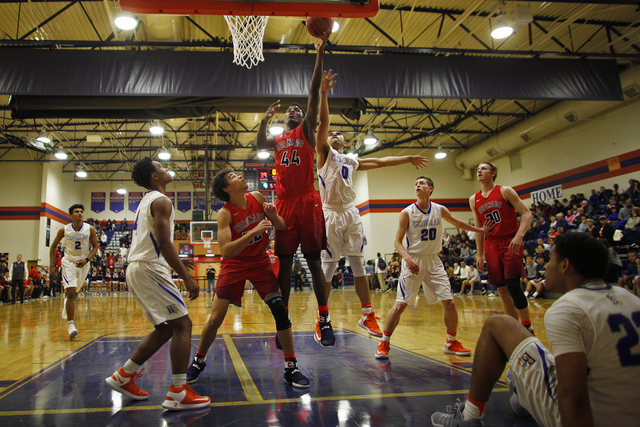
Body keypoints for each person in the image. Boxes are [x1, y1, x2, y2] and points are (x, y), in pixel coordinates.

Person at [430, 232, 640, 427]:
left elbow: (572, 396)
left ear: (565, 265)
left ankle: (470, 417)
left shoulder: (568, 309)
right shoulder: (631, 298)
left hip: (587, 417)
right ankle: (524, 396)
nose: (546, 267)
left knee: (496, 325)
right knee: (518, 366)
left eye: (550, 260)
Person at [316, 69, 429, 339]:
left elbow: (380, 161)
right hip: (330, 214)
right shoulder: (324, 154)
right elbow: (323, 122)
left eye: (340, 135)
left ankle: (367, 315)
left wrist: (407, 157)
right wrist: (323, 93)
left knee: (358, 265)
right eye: (333, 134)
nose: (335, 135)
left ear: (346, 143)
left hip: (351, 214)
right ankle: (323, 318)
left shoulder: (352, 160)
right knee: (328, 268)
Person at [186, 169, 309, 388]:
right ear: (227, 189)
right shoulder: (225, 213)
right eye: (233, 177)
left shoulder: (258, 198)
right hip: (235, 265)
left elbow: (281, 226)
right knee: (215, 319)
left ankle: (292, 367)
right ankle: (198, 360)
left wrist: (273, 215)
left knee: (280, 309)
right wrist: (253, 232)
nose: (240, 176)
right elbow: (226, 250)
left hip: (259, 262)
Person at [105, 157, 210, 410]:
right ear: (154, 176)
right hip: (148, 268)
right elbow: (163, 242)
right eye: (161, 166)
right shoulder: (162, 200)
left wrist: (178, 262)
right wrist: (186, 278)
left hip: (140, 267)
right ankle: (177, 391)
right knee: (183, 325)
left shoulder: (148, 201)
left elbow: (157, 242)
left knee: (166, 329)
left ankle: (124, 376)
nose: (166, 168)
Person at [256, 37, 334, 346]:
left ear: (304, 119)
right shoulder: (276, 141)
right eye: (290, 109)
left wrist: (318, 54)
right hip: (285, 203)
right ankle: (283, 318)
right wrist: (264, 120)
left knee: (314, 261)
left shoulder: (305, 130)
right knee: (285, 264)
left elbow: (313, 92)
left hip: (307, 199)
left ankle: (324, 317)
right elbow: (260, 143)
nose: (294, 109)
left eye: (298, 110)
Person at [375, 176, 494, 359]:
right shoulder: (407, 212)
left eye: (421, 183)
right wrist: (407, 259)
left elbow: (458, 223)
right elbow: (397, 242)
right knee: (400, 305)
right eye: (415, 183)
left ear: (430, 188)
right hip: (413, 260)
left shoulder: (439, 209)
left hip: (434, 261)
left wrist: (480, 230)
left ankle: (451, 341)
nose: (417, 185)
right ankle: (384, 342)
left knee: (450, 302)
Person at [470, 162, 535, 334]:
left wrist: (519, 236)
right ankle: (514, 329)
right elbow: (479, 229)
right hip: (491, 244)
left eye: (483, 168)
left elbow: (527, 214)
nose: (479, 171)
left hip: (509, 240)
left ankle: (527, 326)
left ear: (493, 173)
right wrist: (480, 253)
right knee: (502, 290)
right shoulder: (473, 199)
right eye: (478, 169)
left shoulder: (505, 191)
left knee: (513, 285)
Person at [49, 205, 99, 338]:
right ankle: (71, 325)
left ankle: (68, 302)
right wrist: (52, 264)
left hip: (83, 263)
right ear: (71, 215)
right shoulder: (64, 230)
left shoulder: (90, 229)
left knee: (75, 292)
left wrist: (87, 260)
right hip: (69, 262)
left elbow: (95, 246)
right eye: (76, 212)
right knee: (71, 292)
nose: (80, 213)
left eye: (81, 211)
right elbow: (53, 246)